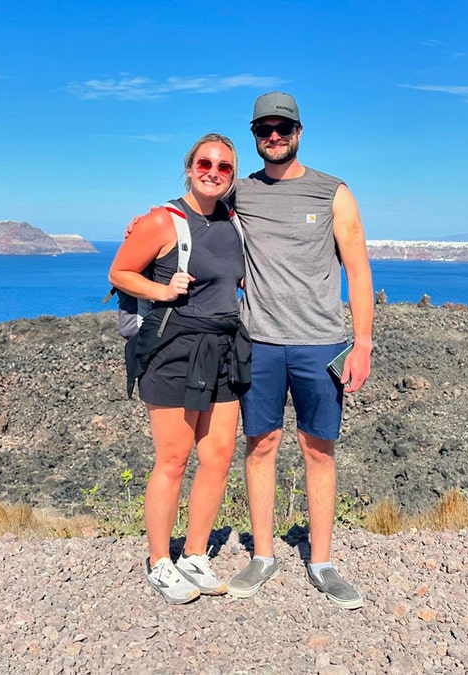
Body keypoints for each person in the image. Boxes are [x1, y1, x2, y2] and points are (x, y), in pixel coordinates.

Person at [223, 91, 375, 609]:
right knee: (260, 444)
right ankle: (263, 555)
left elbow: (358, 270)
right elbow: (193, 213)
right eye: (264, 129)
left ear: (298, 132)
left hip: (321, 343)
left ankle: (323, 562)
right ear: (254, 135)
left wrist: (363, 343)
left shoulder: (333, 192)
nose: (274, 136)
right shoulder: (241, 191)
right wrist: (147, 221)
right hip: (260, 342)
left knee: (318, 449)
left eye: (282, 128)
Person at [108, 133, 251, 605]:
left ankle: (193, 554)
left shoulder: (234, 221)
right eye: (204, 163)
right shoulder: (162, 220)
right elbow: (120, 272)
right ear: (189, 168)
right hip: (174, 350)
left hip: (224, 347)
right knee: (173, 459)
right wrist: (163, 291)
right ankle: (159, 562)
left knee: (218, 456)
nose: (213, 172)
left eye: (224, 167)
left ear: (232, 176)